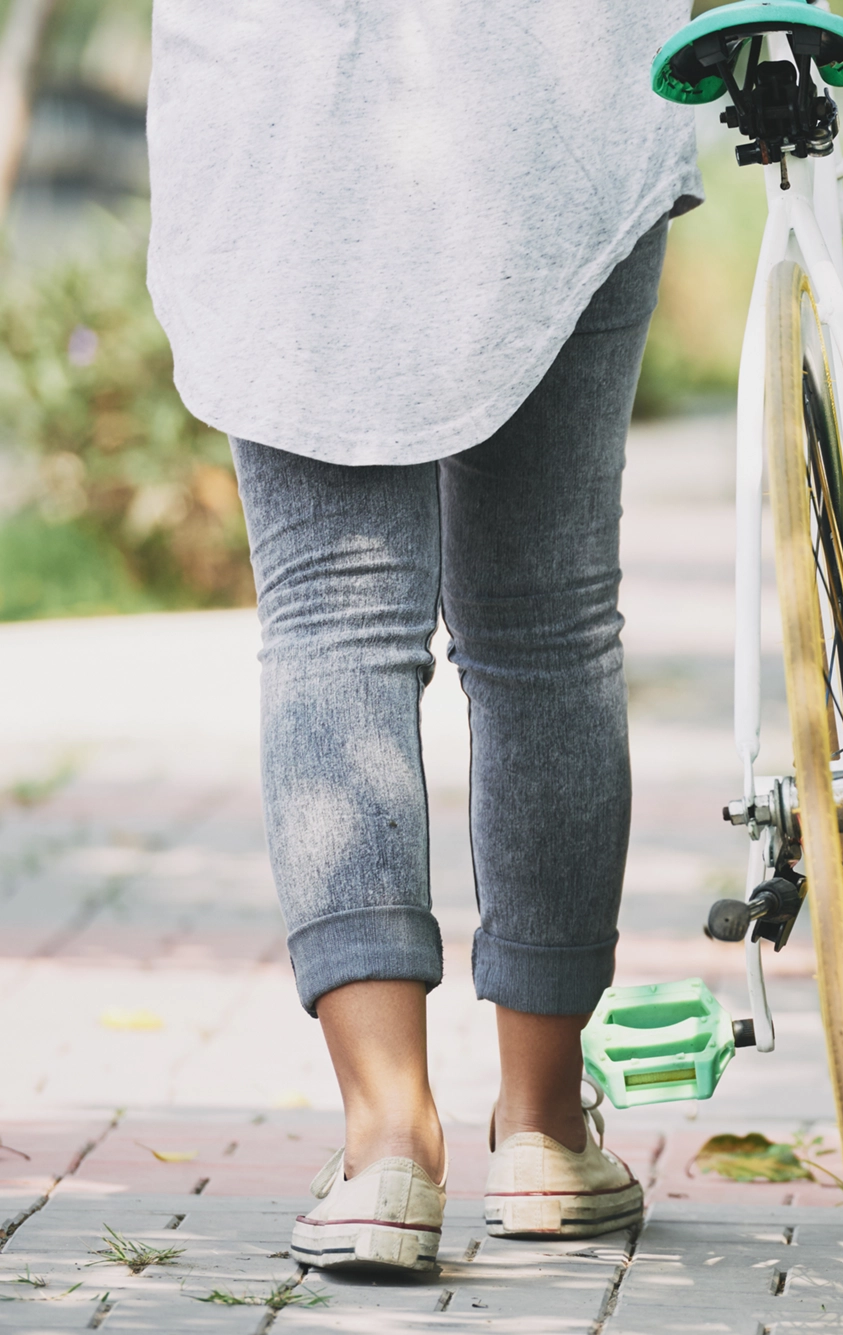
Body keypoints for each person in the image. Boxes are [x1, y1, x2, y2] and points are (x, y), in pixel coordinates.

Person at [145, 1, 702, 1271]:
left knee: (332, 617)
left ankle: (387, 1146)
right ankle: (545, 1132)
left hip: (282, 99)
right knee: (546, 623)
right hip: (553, 90)